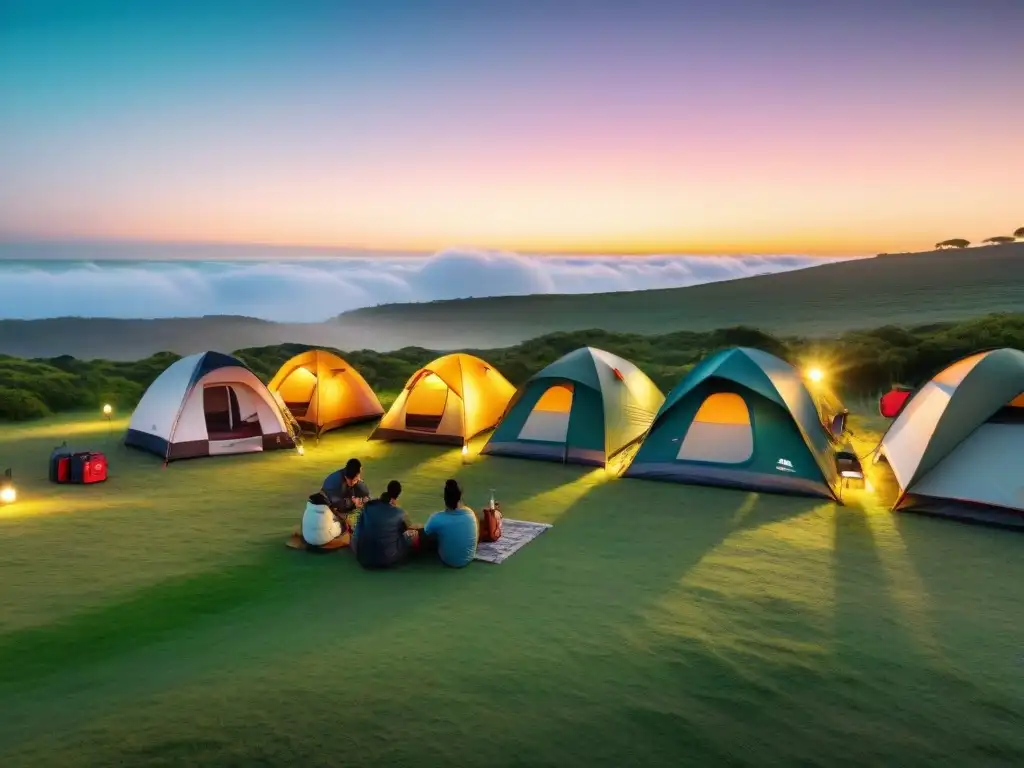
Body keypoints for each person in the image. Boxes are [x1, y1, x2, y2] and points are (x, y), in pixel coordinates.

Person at [351, 480, 416, 569]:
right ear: (395, 498)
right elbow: (408, 527)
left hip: (363, 558)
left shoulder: (368, 507)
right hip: (388, 559)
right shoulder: (400, 513)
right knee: (412, 534)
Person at [423, 479, 479, 568]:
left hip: (448, 560)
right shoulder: (470, 513)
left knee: (431, 531)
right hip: (469, 558)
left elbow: (425, 532)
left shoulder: (437, 518)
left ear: (444, 498)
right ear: (460, 497)